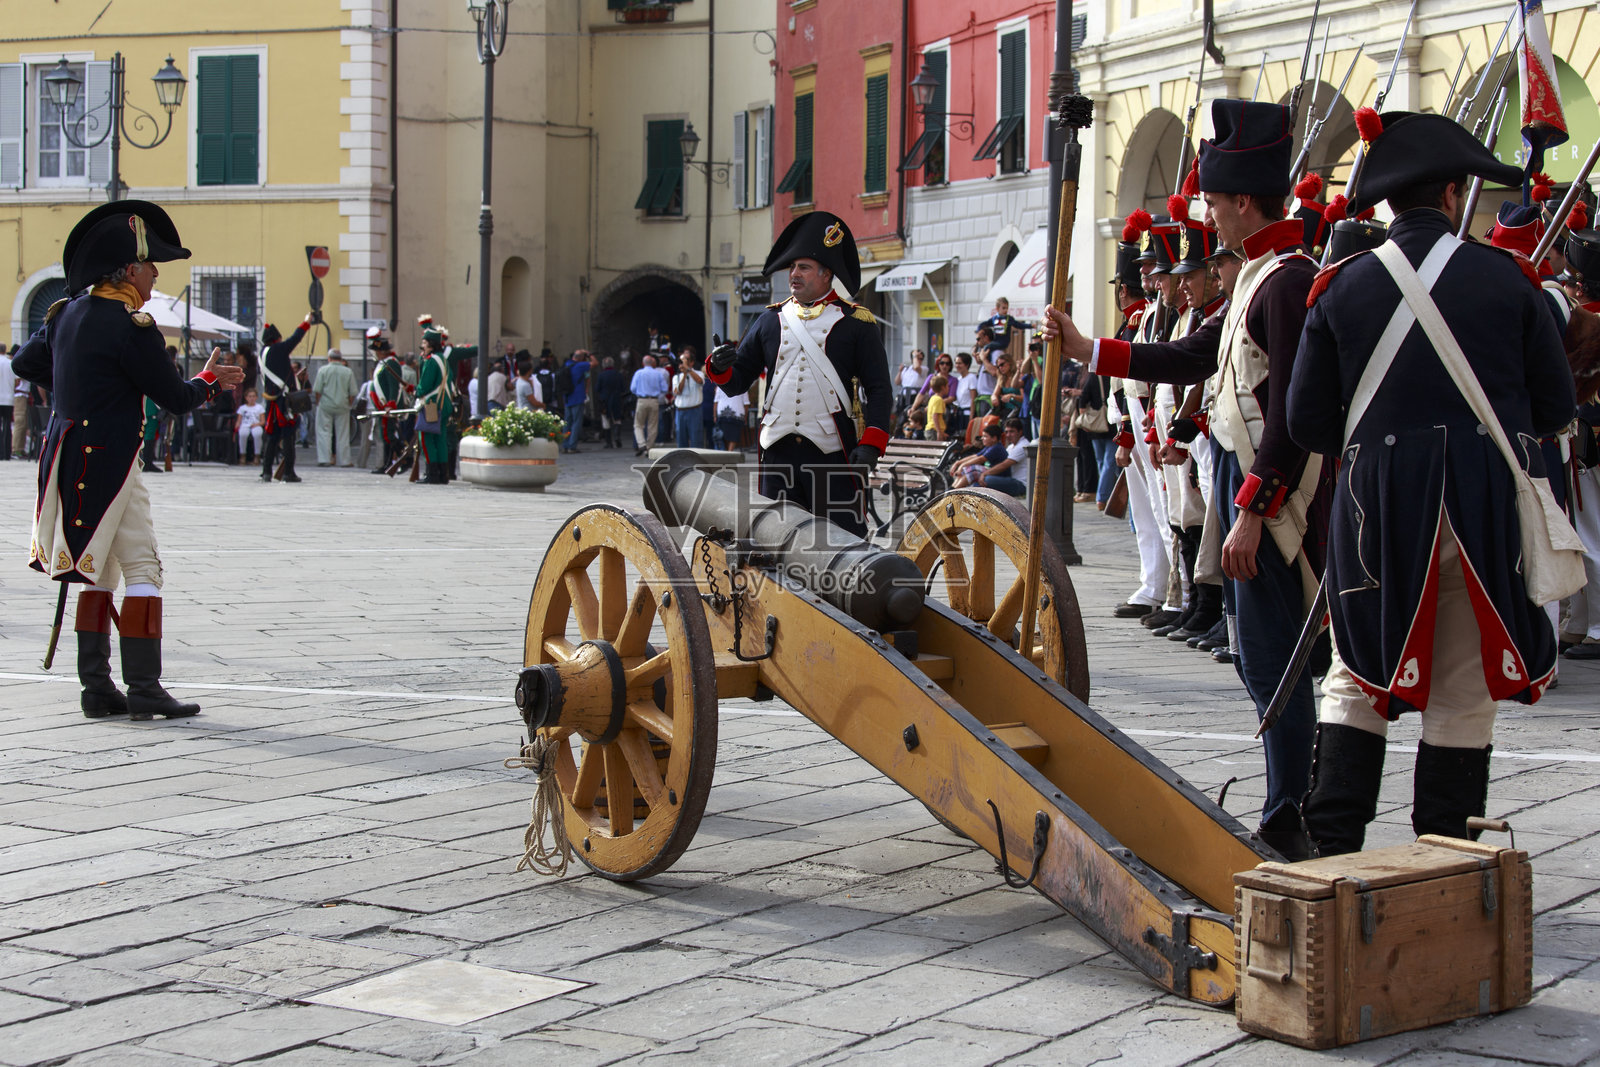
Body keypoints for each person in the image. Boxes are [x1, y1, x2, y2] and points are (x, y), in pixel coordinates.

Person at [1043, 99, 1328, 859]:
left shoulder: (1285, 281)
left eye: (1214, 201)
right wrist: (1087, 348)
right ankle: (1293, 796)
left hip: (1276, 495)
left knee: (1277, 658)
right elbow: (1190, 357)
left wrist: (1250, 512)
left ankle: (1292, 809)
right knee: (1259, 654)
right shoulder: (1258, 279)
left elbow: (1297, 416)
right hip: (1249, 482)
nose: (1209, 215)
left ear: (1241, 201)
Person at [1288, 111, 1575, 855]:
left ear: (1387, 202)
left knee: (1356, 672)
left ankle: (1331, 851)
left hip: (1376, 513)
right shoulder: (1509, 280)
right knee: (1461, 687)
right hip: (1482, 510)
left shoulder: (1340, 287)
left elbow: (1309, 421)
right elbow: (1554, 409)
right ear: (1453, 194)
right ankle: (1443, 857)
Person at [12, 200, 244, 720]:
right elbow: (177, 400)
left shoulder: (64, 313)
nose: (157, 273)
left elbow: (26, 362)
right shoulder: (132, 326)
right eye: (150, 265)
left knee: (99, 570)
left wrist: (81, 389)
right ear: (128, 270)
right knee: (143, 567)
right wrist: (209, 379)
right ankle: (144, 687)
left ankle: (97, 687)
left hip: (70, 458)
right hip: (113, 462)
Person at [707, 210, 892, 536]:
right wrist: (719, 367)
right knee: (774, 539)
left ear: (826, 274)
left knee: (841, 540)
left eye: (803, 267)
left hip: (832, 452)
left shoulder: (856, 323)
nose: (794, 274)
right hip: (777, 451)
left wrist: (872, 445)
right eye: (792, 267)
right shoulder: (769, 320)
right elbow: (737, 381)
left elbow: (879, 389)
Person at [259, 314, 314, 483]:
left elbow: (278, 374)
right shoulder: (278, 349)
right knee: (289, 435)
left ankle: (267, 471)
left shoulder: (263, 353)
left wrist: (295, 377)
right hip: (284, 402)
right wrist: (306, 322)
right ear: (276, 339)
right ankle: (288, 472)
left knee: (273, 436)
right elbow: (295, 338)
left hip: (272, 400)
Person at [416, 322, 472, 483]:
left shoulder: (432, 361)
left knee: (426, 438)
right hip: (444, 404)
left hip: (432, 405)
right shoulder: (443, 360)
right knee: (440, 439)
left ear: (431, 345)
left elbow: (424, 386)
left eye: (425, 343)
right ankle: (442, 473)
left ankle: (431, 473)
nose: (423, 346)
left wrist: (416, 391)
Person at [313, 348, 358, 467]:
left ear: (329, 358)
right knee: (343, 433)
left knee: (324, 432)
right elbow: (352, 392)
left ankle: (324, 459)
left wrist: (318, 403)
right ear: (341, 359)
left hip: (326, 404)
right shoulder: (348, 371)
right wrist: (349, 404)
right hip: (342, 405)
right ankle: (344, 460)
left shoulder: (322, 370)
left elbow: (317, 390)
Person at [970, 417, 1030, 497]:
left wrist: (984, 474)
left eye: (1012, 432)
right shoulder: (1011, 446)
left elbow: (1004, 465)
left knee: (987, 479)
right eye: (1006, 432)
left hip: (1020, 484)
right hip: (1010, 479)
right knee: (977, 479)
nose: (1008, 435)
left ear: (1020, 432)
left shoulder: (1022, 445)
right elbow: (978, 456)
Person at [630, 352, 669, 455]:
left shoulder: (638, 373)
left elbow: (632, 388)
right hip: (654, 401)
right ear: (653, 364)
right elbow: (664, 388)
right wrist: (657, 394)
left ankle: (641, 444)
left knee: (638, 424)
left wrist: (639, 392)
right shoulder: (658, 374)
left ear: (643, 364)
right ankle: (649, 448)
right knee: (652, 425)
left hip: (642, 400)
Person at [951, 422, 1009, 487]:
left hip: (998, 476)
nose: (982, 438)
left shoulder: (997, 447)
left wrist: (962, 466)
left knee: (973, 469)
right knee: (965, 470)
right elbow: (975, 456)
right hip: (990, 473)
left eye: (985, 436)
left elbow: (980, 459)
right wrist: (958, 463)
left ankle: (955, 491)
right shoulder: (989, 446)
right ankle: (952, 489)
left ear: (994, 438)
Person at [672, 346, 706, 448]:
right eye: (681, 362)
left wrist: (689, 370)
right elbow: (678, 391)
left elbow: (700, 381)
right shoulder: (676, 377)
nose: (682, 364)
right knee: (681, 440)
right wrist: (684, 375)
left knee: (696, 439)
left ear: (691, 363)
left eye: (685, 361)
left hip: (694, 411)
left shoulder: (699, 373)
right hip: (680, 411)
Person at [594, 355, 627, 448]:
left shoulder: (601, 375)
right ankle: (617, 437)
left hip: (605, 401)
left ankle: (609, 442)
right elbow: (623, 388)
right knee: (617, 420)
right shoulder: (618, 374)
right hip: (616, 399)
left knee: (605, 421)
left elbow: (597, 388)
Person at [562, 349, 590, 453]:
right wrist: (589, 354)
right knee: (576, 422)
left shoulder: (567, 364)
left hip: (567, 397)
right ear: (581, 358)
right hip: (577, 397)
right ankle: (572, 446)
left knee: (567, 422)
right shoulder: (580, 366)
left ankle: (565, 444)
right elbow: (595, 363)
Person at [714, 383, 748, 450]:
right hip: (737, 414)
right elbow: (746, 403)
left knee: (724, 436)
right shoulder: (743, 384)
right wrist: (745, 417)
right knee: (734, 436)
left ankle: (728, 453)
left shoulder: (721, 385)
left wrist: (715, 416)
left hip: (723, 414)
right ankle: (729, 453)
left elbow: (716, 402)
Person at [236, 388, 265, 463]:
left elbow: (263, 421)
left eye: (253, 396)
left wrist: (256, 424)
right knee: (243, 434)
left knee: (257, 434)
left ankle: (257, 455)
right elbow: (239, 420)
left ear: (256, 397)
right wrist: (236, 427)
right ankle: (243, 455)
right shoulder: (242, 408)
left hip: (256, 425)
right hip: (245, 425)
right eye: (250, 396)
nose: (251, 398)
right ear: (246, 398)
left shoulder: (259, 407)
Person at [924, 374, 950, 441]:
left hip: (931, 429)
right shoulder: (939, 400)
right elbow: (935, 415)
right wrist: (939, 432)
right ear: (942, 387)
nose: (948, 388)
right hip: (934, 430)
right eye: (947, 386)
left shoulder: (933, 398)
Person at [0, 344, 14, 460]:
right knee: (7, 425)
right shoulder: (9, 363)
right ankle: (6, 454)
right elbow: (18, 381)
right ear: (5, 350)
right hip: (8, 398)